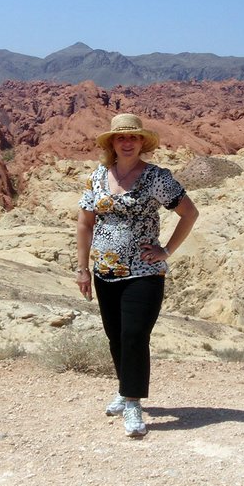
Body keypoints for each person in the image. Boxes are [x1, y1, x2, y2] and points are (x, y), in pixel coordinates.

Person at [76, 113, 199, 438]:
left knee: (134, 336)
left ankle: (133, 403)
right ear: (112, 143)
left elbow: (189, 212)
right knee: (115, 336)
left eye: (133, 137)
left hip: (144, 272)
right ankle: (123, 388)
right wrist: (82, 268)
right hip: (104, 272)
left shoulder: (157, 178)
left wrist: (167, 250)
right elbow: (85, 223)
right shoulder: (98, 177)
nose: (127, 142)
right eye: (121, 138)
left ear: (142, 142)